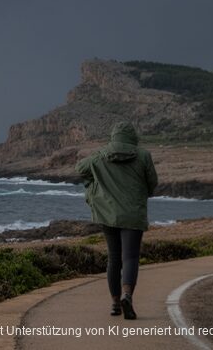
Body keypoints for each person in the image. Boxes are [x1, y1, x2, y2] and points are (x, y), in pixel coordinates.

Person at [76, 121, 158, 320]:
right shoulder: (144, 156)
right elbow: (152, 184)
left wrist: (94, 187)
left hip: (108, 214)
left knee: (114, 258)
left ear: (113, 136)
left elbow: (80, 168)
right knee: (130, 258)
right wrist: (140, 194)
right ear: (132, 137)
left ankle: (114, 303)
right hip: (133, 214)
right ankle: (127, 295)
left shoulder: (101, 155)